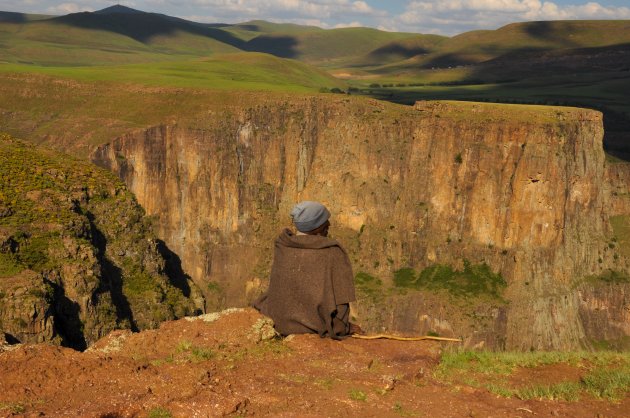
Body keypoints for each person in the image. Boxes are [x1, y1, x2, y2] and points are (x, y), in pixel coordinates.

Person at [253, 201, 357, 339]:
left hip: (280, 321)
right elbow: (341, 302)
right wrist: (344, 327)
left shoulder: (283, 245)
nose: (329, 225)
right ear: (317, 227)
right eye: (325, 222)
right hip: (314, 326)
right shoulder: (332, 252)